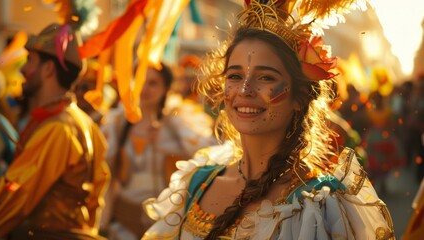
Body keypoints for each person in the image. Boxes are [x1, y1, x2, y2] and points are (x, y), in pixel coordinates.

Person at [142, 0, 395, 239]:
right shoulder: (197, 183)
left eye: (266, 78)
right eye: (234, 76)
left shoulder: (319, 206)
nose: (244, 91)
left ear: (299, 96)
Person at [0, 23, 110, 239]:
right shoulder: (83, 122)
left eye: (30, 61)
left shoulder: (58, 128)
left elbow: (14, 195)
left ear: (48, 69)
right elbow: (96, 197)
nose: (22, 69)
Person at [100, 63, 217, 239]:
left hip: (166, 220)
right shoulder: (117, 121)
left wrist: (165, 142)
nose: (145, 88)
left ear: (166, 88)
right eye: (140, 81)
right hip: (123, 221)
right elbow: (103, 173)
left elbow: (208, 153)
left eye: (153, 83)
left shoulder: (178, 120)